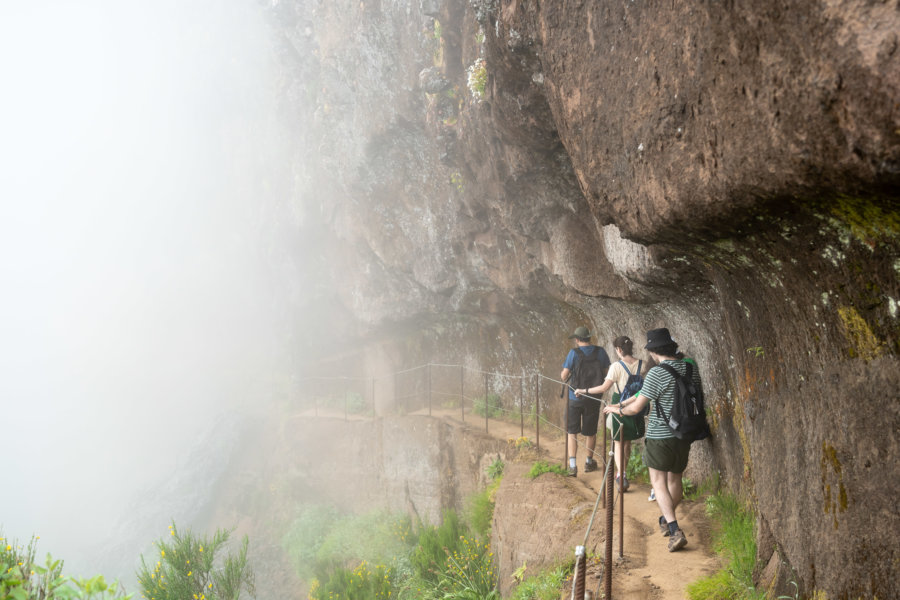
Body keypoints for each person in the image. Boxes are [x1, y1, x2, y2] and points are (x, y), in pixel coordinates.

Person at [602, 327, 702, 552]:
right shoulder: (690, 367)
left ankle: (674, 529)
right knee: (675, 480)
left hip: (659, 436)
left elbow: (639, 405)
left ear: (653, 351)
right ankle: (667, 520)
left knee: (658, 482)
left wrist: (617, 411)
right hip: (684, 433)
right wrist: (622, 405)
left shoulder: (657, 373)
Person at [574, 335, 648, 492]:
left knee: (619, 441)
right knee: (627, 442)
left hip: (618, 404)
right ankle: (623, 473)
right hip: (636, 404)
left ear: (619, 350)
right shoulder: (644, 364)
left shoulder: (616, 366)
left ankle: (621, 476)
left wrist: (583, 390)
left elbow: (603, 388)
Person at [560, 326, 610, 477]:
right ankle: (589, 462)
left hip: (575, 398)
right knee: (590, 432)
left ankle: (573, 466)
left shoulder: (573, 353)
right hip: (593, 398)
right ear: (590, 338)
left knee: (572, 431)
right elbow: (606, 372)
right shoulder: (600, 352)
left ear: (576, 339)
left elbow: (564, 376)